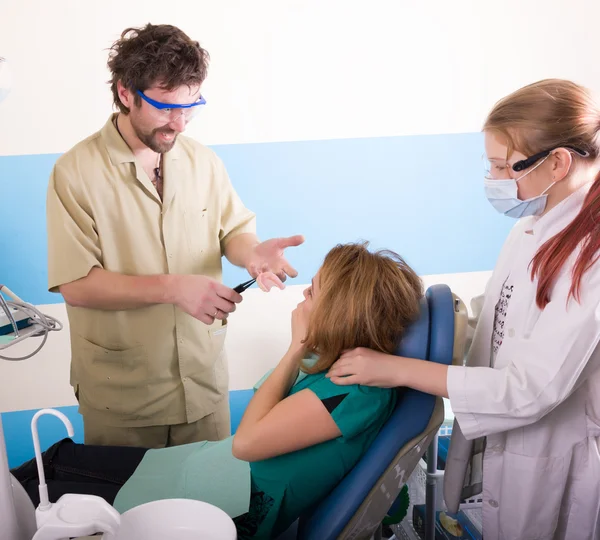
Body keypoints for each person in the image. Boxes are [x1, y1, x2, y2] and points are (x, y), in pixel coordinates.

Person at [327, 79, 600, 539]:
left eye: (502, 166)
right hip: (512, 442)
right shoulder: (534, 227)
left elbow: (528, 390)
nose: (493, 180)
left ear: (557, 162)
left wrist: (397, 368)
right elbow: (500, 322)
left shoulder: (589, 258)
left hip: (553, 454)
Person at [12, 242, 422, 539]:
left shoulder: (357, 392)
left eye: (313, 292)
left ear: (340, 312)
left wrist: (295, 348)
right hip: (214, 469)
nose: (303, 295)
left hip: (227, 503)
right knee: (55, 460)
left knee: (44, 485)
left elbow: (246, 444)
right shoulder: (337, 366)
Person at [45, 23, 304, 449]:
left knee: (213, 511)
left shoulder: (202, 160)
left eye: (191, 107)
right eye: (165, 108)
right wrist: (174, 289)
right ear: (126, 93)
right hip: (124, 395)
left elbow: (233, 230)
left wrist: (253, 253)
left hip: (202, 384)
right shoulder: (75, 173)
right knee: (128, 516)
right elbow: (76, 284)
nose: (180, 124)